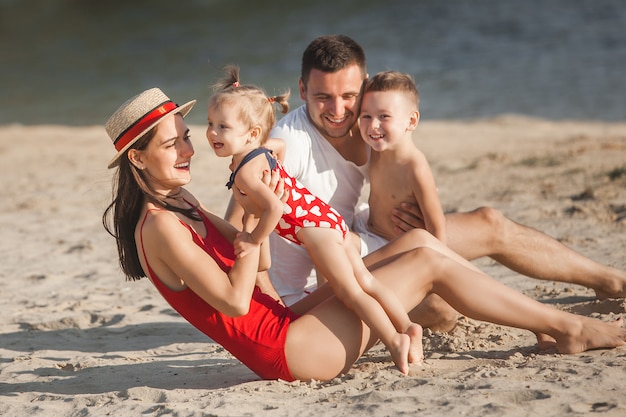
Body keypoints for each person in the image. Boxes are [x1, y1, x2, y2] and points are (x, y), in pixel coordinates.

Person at [102, 87, 625, 382]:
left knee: (417, 244)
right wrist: (250, 239)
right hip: (289, 352)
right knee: (429, 264)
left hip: (285, 320)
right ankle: (565, 328)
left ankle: (538, 320)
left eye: (187, 138)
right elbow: (237, 304)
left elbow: (255, 266)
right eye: (174, 145)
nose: (190, 150)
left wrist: (256, 215)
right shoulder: (162, 227)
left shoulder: (183, 201)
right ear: (139, 159)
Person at [225, 34, 626, 327]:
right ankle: (543, 321)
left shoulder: (371, 122)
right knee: (442, 311)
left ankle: (610, 281)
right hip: (321, 283)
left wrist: (395, 212)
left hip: (364, 236)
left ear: (365, 87)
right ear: (301, 91)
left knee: (489, 220)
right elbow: (236, 218)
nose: (338, 110)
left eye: (349, 95)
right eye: (322, 98)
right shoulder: (287, 143)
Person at [206, 65, 423, 373]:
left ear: (252, 133)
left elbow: (275, 210)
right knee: (366, 280)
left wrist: (253, 239)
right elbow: (275, 159)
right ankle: (407, 325)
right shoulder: (263, 153)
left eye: (223, 127)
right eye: (210, 123)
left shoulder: (246, 169)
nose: (213, 133)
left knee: (350, 291)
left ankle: (394, 340)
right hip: (325, 218)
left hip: (314, 230)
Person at [358, 70, 446, 244]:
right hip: (366, 228)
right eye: (366, 116)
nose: (373, 125)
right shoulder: (377, 149)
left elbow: (437, 229)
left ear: (412, 121)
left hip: (391, 243)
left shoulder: (414, 167)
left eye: (384, 116)